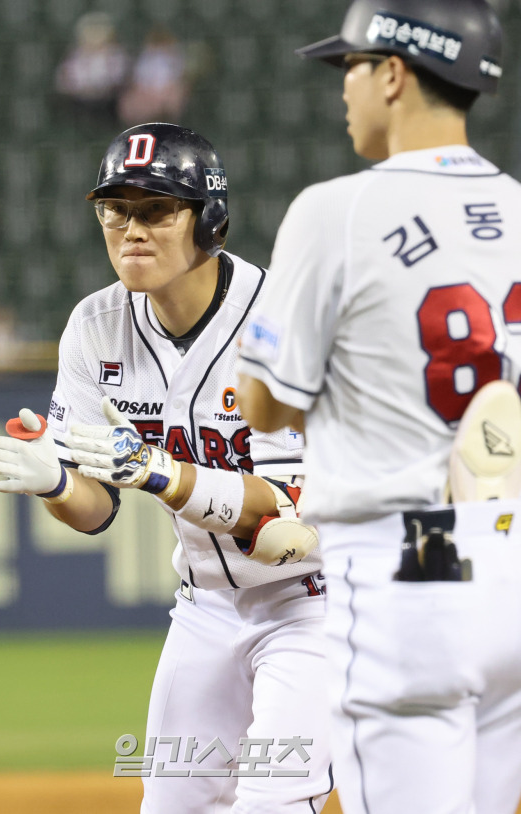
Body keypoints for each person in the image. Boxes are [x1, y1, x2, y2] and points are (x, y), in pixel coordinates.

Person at [0, 123, 333, 813]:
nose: (130, 229)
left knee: (271, 802)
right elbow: (95, 510)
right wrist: (55, 480)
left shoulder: (277, 319)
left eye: (156, 210)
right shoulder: (96, 324)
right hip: (204, 607)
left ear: (209, 222)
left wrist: (157, 471)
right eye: (116, 210)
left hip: (315, 604)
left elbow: (285, 515)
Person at [235, 2, 521, 813]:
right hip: (510, 563)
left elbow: (265, 405)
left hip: (406, 568)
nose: (344, 88)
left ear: (393, 72)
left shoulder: (336, 211)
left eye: (351, 67)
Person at [118, 29, 189, 126]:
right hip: (146, 91)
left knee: (172, 98)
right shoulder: (146, 57)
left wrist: (163, 91)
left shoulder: (174, 56)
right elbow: (140, 77)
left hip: (167, 90)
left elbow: (177, 75)